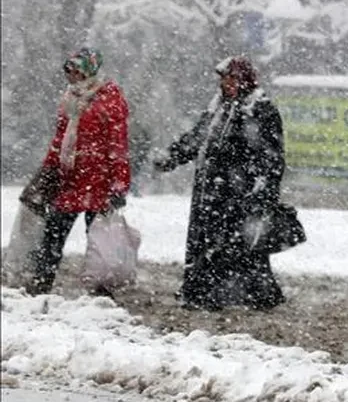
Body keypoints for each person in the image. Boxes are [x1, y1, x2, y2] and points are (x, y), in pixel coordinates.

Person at [153, 56, 286, 311]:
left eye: (231, 78)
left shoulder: (260, 109)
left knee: (236, 243)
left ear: (244, 80)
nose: (226, 84)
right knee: (206, 240)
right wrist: (173, 156)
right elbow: (198, 138)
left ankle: (231, 293)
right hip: (211, 188)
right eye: (224, 79)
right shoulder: (219, 108)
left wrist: (262, 186)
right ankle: (201, 291)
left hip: (238, 190)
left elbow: (272, 155)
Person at [24, 48, 131, 296]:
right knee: (53, 232)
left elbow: (118, 145)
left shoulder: (110, 99)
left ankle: (101, 289)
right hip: (70, 179)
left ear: (88, 70)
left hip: (99, 180)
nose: (70, 75)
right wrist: (49, 168)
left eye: (75, 70)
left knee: (99, 238)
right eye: (68, 70)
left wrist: (119, 183)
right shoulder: (71, 98)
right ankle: (41, 280)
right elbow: (60, 139)